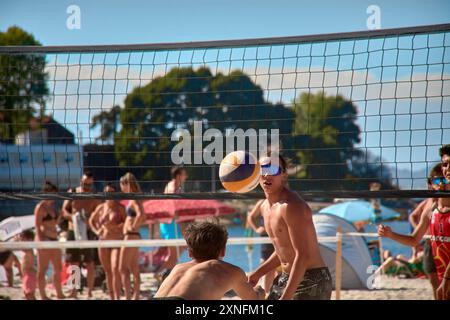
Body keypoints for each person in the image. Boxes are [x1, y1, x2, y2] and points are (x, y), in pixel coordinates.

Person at [248, 153, 332, 300]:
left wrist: (286, 297)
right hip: (287, 276)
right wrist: (258, 273)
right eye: (262, 169)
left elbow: (302, 256)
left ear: (284, 175)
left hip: (313, 277)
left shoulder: (292, 206)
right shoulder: (264, 208)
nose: (267, 174)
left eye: (273, 169)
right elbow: (283, 250)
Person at [378, 144, 450, 300]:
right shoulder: (431, 208)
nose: (447, 169)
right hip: (441, 269)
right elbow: (414, 240)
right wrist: (391, 234)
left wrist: (446, 280)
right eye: (445, 164)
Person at [154, 221, 265, 300]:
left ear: (189, 253)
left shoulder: (178, 268)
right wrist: (261, 290)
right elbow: (253, 299)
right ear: (223, 251)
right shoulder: (226, 270)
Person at [61, 170, 102, 298]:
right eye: (85, 185)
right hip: (73, 230)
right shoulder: (73, 193)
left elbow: (100, 214)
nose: (86, 188)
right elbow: (64, 211)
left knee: (90, 263)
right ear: (81, 182)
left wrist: (89, 220)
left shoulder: (94, 197)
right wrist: (74, 217)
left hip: (88, 231)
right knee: (74, 263)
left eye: (89, 185)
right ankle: (74, 291)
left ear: (92, 184)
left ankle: (89, 291)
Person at [406, 163, 443, 298]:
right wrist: (419, 229)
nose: (439, 184)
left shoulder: (443, 202)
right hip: (429, 242)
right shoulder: (428, 203)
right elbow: (412, 216)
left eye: (443, 180)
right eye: (435, 181)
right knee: (434, 280)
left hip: (444, 243)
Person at [89, 183, 126, 300]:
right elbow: (91, 221)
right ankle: (112, 297)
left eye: (112, 192)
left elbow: (127, 223)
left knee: (115, 269)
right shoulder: (101, 207)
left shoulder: (120, 208)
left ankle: (118, 296)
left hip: (116, 241)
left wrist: (116, 227)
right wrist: (97, 231)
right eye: (107, 192)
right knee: (108, 271)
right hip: (103, 241)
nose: (109, 194)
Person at [35, 181, 65, 300]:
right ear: (47, 192)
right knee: (43, 269)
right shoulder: (40, 207)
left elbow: (54, 223)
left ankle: (59, 293)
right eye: (53, 193)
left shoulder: (52, 206)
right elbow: (37, 226)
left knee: (58, 268)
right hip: (44, 240)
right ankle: (43, 295)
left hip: (54, 239)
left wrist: (60, 216)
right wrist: (41, 241)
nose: (54, 196)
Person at [119, 172, 145, 300]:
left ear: (126, 184)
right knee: (134, 268)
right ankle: (136, 296)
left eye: (121, 185)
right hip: (134, 235)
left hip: (130, 235)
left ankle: (129, 296)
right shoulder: (135, 197)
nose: (121, 188)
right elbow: (140, 215)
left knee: (122, 267)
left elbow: (142, 214)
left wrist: (133, 226)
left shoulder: (134, 198)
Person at [159, 166, 188, 273]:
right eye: (184, 174)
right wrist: (180, 223)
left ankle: (164, 272)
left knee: (179, 249)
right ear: (178, 176)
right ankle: (160, 273)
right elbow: (172, 207)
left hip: (170, 222)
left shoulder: (174, 186)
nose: (186, 176)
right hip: (170, 223)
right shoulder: (173, 187)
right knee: (175, 253)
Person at [246, 199, 276, 293]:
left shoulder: (283, 200)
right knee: (268, 266)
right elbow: (250, 217)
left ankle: (270, 292)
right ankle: (267, 293)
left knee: (280, 266)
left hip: (279, 235)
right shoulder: (262, 202)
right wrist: (257, 229)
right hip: (266, 237)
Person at [19, 230, 37, 300]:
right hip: (27, 275)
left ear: (29, 240)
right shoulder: (28, 250)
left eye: (23, 239)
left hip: (29, 276)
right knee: (28, 294)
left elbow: (22, 248)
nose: (21, 241)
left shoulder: (29, 249)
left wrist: (16, 242)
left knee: (29, 294)